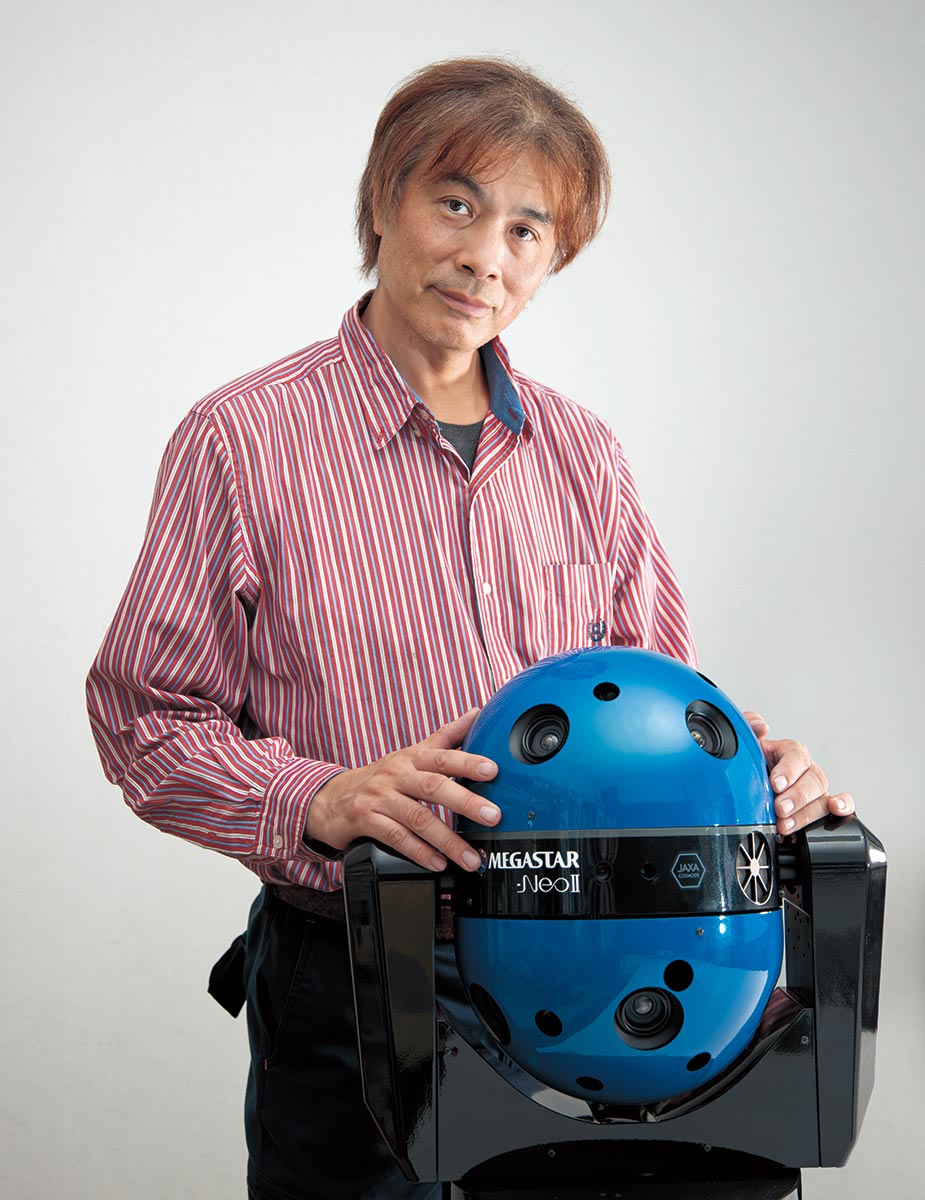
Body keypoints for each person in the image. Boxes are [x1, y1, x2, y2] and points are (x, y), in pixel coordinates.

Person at [86, 57, 855, 1200]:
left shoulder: (584, 454)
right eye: (455, 203)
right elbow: (144, 718)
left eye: (526, 230)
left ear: (552, 259)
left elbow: (657, 701)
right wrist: (313, 799)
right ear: (382, 201)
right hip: (361, 981)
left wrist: (752, 769)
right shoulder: (240, 440)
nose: (485, 256)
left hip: (605, 972)